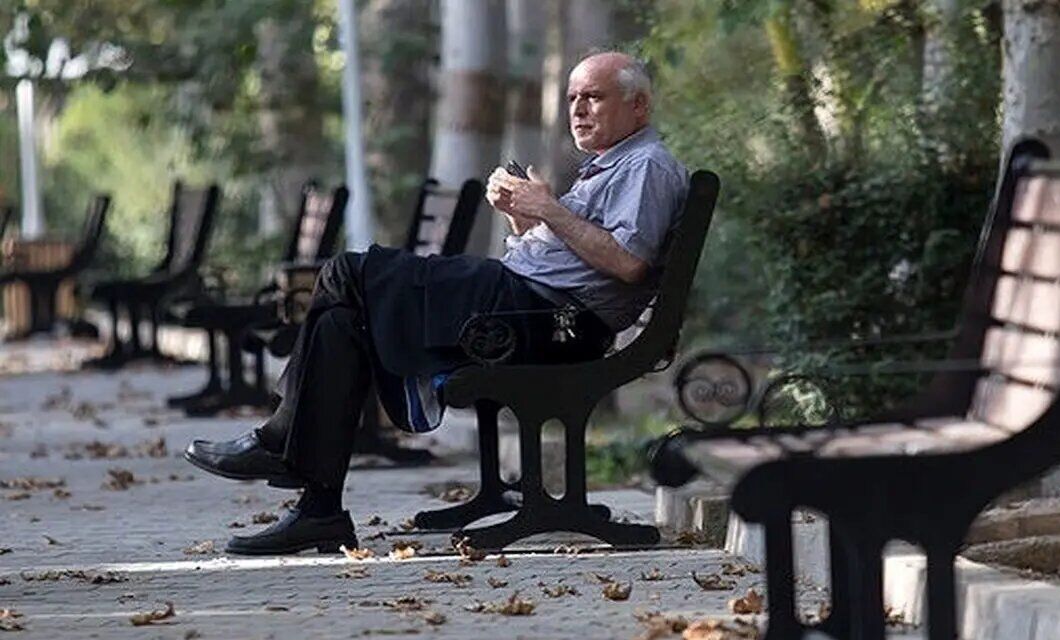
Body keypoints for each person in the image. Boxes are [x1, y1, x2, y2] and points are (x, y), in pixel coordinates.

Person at [183, 51, 689, 555]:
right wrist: (524, 218)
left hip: (548, 321)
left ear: (638, 105)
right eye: (573, 97)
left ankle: (280, 441)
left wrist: (549, 209)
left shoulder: (646, 165)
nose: (578, 109)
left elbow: (628, 263)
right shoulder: (613, 164)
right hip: (528, 306)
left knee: (347, 273)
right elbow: (574, 256)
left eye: (594, 97)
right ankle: (320, 511)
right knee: (343, 324)